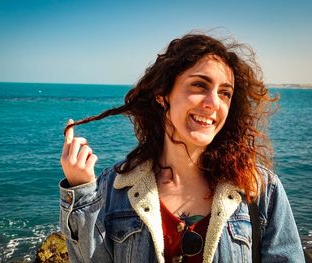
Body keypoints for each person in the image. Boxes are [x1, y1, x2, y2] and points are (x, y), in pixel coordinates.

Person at [59, 32, 304, 263]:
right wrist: (80, 189)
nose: (213, 103)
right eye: (199, 85)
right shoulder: (113, 187)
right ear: (162, 94)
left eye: (225, 93)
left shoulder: (259, 189)